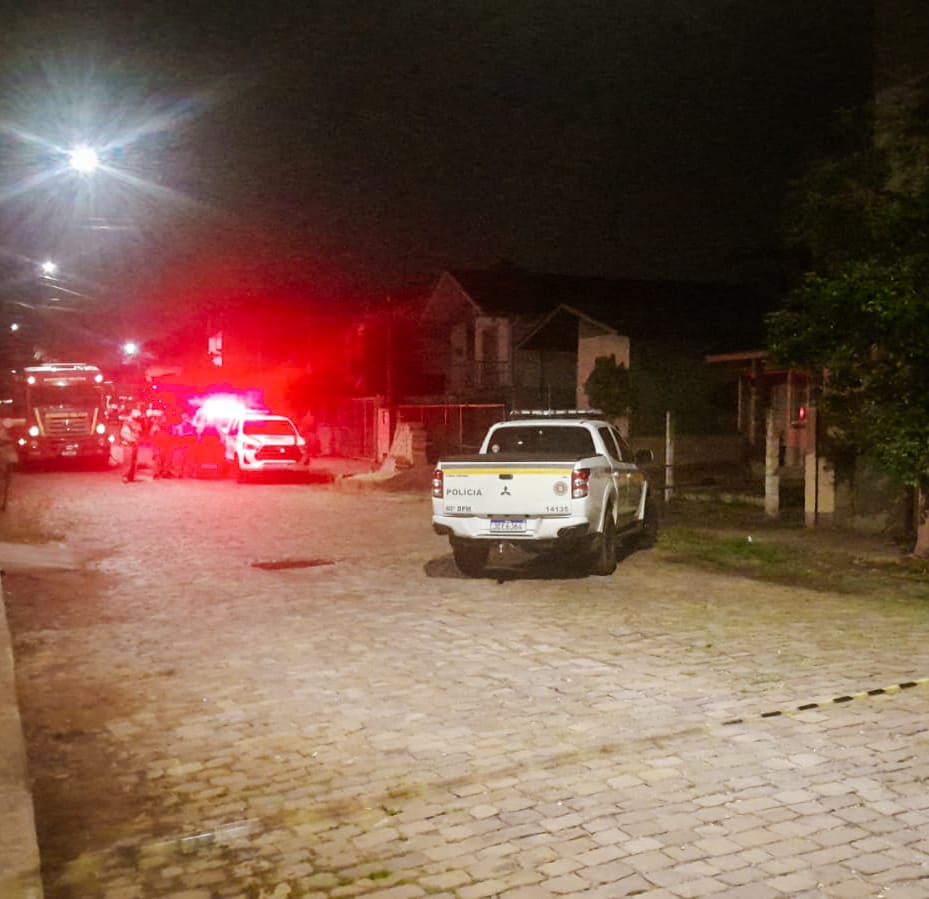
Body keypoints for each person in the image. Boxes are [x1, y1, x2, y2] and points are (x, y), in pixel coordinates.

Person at [120, 409, 143, 482]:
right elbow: (124, 434)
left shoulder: (137, 423)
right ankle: (125, 476)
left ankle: (131, 476)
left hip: (135, 444)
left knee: (134, 462)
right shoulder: (127, 423)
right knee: (128, 461)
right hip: (128, 445)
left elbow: (139, 432)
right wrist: (132, 440)